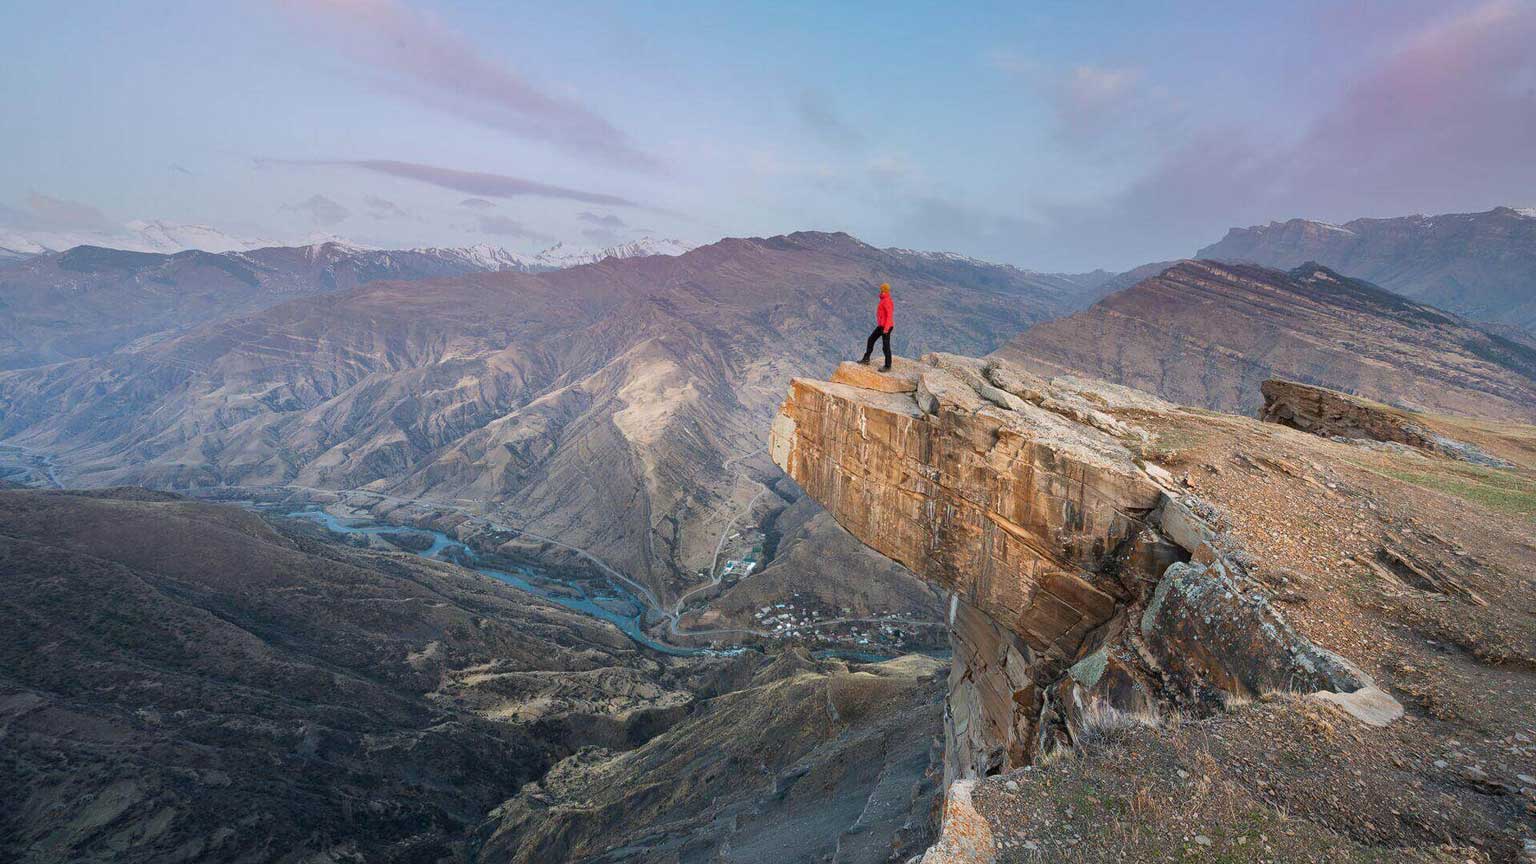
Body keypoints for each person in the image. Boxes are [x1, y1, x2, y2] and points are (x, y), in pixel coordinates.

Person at [858, 283, 894, 370]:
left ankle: (888, 366)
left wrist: (886, 328)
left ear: (885, 290)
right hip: (881, 326)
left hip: (886, 327)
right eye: (882, 289)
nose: (882, 291)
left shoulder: (886, 301)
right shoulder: (883, 299)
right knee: (871, 339)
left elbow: (889, 315)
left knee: (886, 347)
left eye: (883, 289)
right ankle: (866, 359)